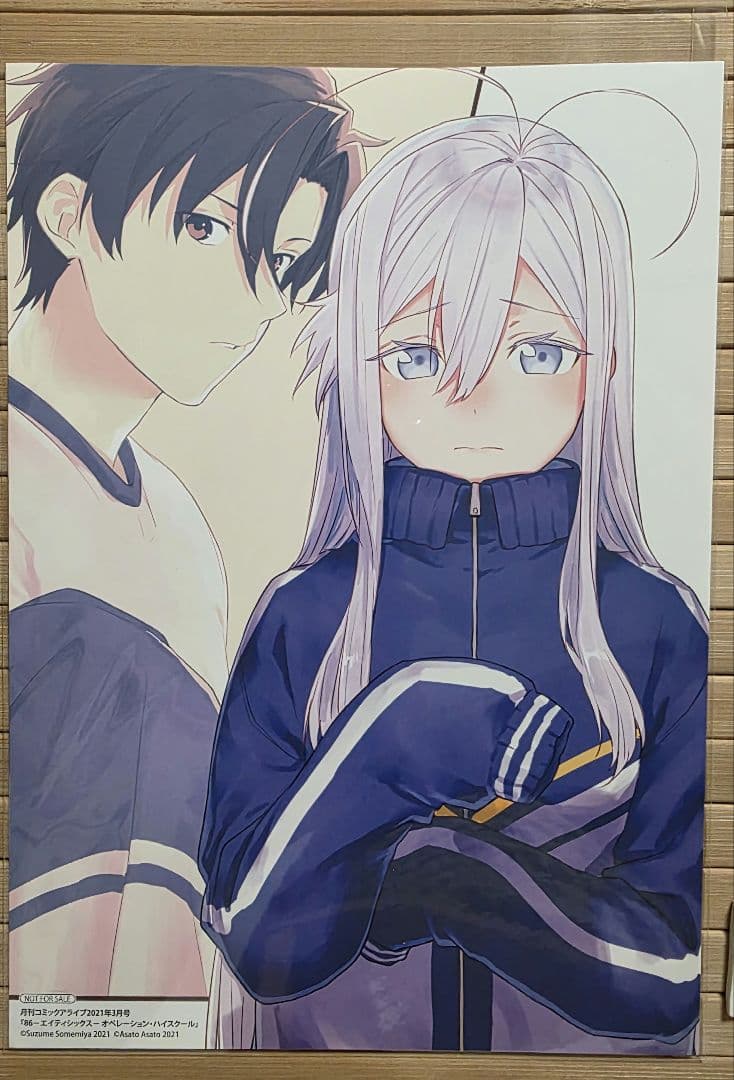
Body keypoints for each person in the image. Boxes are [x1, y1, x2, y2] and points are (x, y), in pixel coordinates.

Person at [200, 108, 709, 1054]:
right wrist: (392, 739)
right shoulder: (306, 615)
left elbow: (678, 972)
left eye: (537, 353)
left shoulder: (652, 623)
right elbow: (246, 934)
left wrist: (448, 875)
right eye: (419, 356)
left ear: (603, 366)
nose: (471, 398)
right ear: (360, 367)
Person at [7, 62, 367, 998]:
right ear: (69, 215)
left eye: (284, 260)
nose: (260, 300)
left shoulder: (179, 532)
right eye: (207, 227)